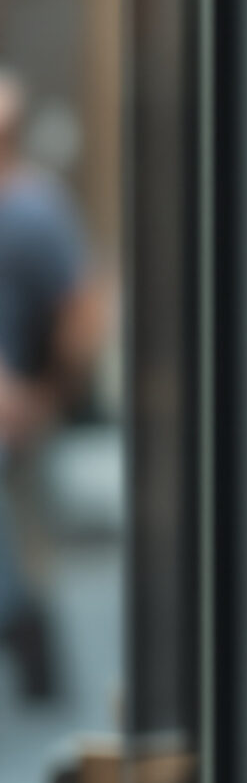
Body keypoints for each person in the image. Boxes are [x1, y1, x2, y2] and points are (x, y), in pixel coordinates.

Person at [0, 71, 104, 701]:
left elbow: (81, 315)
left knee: (26, 549)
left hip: (19, 409)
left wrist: (47, 395)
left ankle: (38, 663)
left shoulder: (37, 210)